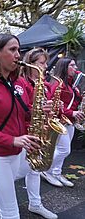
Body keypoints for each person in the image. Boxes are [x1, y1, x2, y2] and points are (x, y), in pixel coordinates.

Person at [0, 34, 51, 219]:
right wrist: (13, 140)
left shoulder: (20, 82)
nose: (18, 55)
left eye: (19, 50)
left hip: (16, 154)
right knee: (10, 212)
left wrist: (38, 111)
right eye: (12, 50)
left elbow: (22, 113)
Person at [16, 48, 58, 219]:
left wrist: (54, 109)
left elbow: (47, 109)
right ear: (30, 64)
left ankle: (35, 203)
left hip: (41, 131)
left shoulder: (46, 85)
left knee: (35, 171)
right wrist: (39, 109)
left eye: (46, 63)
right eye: (42, 63)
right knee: (18, 172)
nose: (46, 67)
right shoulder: (21, 83)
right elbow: (20, 110)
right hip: (25, 133)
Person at [41, 57, 85, 187]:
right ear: (65, 67)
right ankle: (46, 170)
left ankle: (56, 172)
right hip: (61, 120)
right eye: (72, 66)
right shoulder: (58, 84)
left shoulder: (71, 85)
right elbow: (55, 104)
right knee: (64, 150)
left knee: (62, 149)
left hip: (69, 121)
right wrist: (72, 113)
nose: (76, 68)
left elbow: (73, 102)